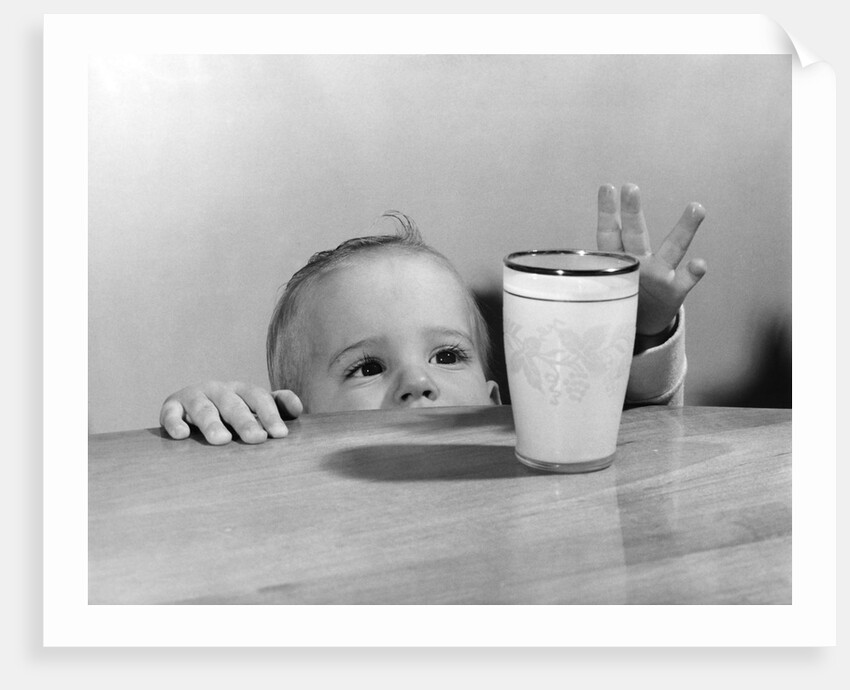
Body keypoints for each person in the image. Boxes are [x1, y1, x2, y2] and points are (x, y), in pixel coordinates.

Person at [159, 183, 707, 445]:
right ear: (294, 416)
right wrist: (213, 417)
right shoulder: (285, 460)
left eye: (447, 355)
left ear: (496, 406)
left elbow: (641, 443)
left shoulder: (519, 456)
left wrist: (638, 332)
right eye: (367, 367)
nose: (418, 382)